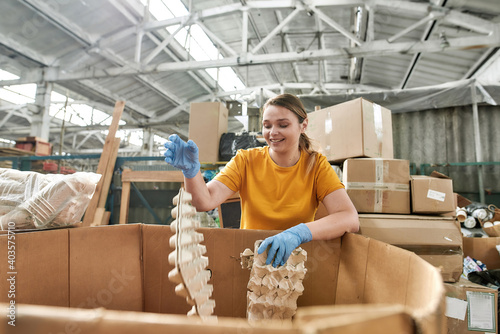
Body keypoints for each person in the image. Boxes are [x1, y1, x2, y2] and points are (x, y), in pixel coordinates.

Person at [164, 93, 359, 267]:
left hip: (294, 265)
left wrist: (298, 233)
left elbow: (348, 217)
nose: (273, 132)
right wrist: (191, 172)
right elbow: (204, 201)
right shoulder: (245, 161)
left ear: (303, 125)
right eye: (267, 126)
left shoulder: (316, 166)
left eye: (283, 125)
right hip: (251, 261)